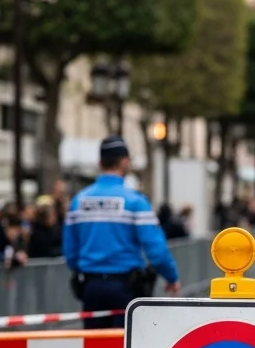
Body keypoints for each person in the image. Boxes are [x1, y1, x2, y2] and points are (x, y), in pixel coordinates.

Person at [64, 136, 180, 328]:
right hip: (126, 288)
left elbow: (70, 252)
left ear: (99, 162)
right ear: (125, 161)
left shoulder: (78, 202)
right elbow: (156, 250)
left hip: (91, 287)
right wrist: (171, 277)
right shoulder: (135, 202)